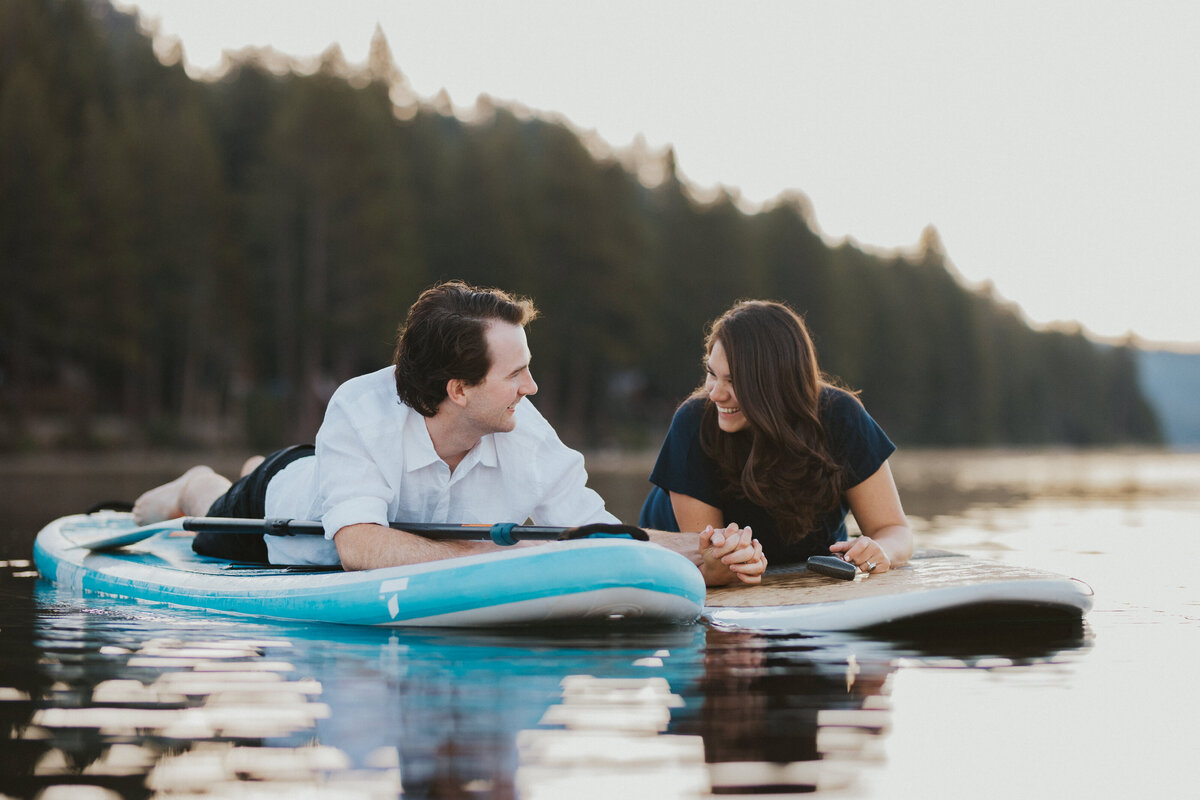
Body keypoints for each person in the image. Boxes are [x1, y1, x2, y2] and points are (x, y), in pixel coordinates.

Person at [133, 281, 767, 583]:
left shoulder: (523, 429)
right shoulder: (359, 408)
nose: (533, 387)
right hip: (284, 510)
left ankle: (251, 464)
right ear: (457, 389)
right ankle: (202, 481)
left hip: (335, 475)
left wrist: (706, 551)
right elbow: (357, 548)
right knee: (215, 508)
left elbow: (597, 532)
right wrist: (492, 563)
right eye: (516, 372)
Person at [639, 299, 913, 576]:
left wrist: (880, 551)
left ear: (777, 385)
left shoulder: (841, 416)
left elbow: (893, 529)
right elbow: (713, 560)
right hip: (677, 563)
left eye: (734, 381)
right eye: (712, 374)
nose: (715, 393)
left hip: (804, 566)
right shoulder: (694, 421)